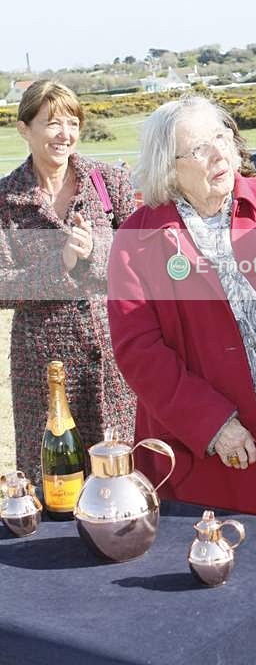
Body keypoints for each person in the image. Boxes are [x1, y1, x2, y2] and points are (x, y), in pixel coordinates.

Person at [107, 95, 256, 523]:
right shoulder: (138, 238)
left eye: (221, 136)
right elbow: (138, 351)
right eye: (199, 148)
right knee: (223, 564)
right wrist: (213, 423)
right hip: (207, 452)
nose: (219, 153)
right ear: (170, 165)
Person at [0, 81, 137, 483]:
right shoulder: (5, 199)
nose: (65, 134)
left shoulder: (109, 182)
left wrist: (97, 252)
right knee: (56, 479)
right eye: (52, 123)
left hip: (115, 355)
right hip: (42, 364)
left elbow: (142, 262)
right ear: (24, 129)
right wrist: (60, 262)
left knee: (119, 473)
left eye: (73, 122)